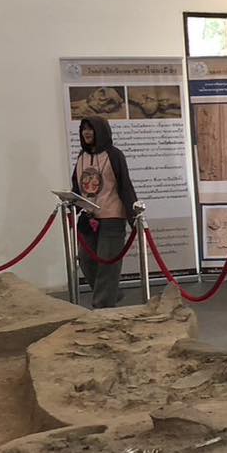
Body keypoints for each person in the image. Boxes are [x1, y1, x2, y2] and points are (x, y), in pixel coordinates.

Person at [72, 115, 137, 309]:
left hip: (112, 217)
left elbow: (125, 186)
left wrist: (134, 217)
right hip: (88, 219)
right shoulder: (81, 157)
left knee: (108, 263)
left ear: (100, 131)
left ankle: (102, 306)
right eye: (84, 129)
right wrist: (71, 204)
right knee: (86, 260)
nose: (87, 132)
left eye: (90, 128)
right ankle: (111, 293)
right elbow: (77, 188)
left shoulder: (114, 155)